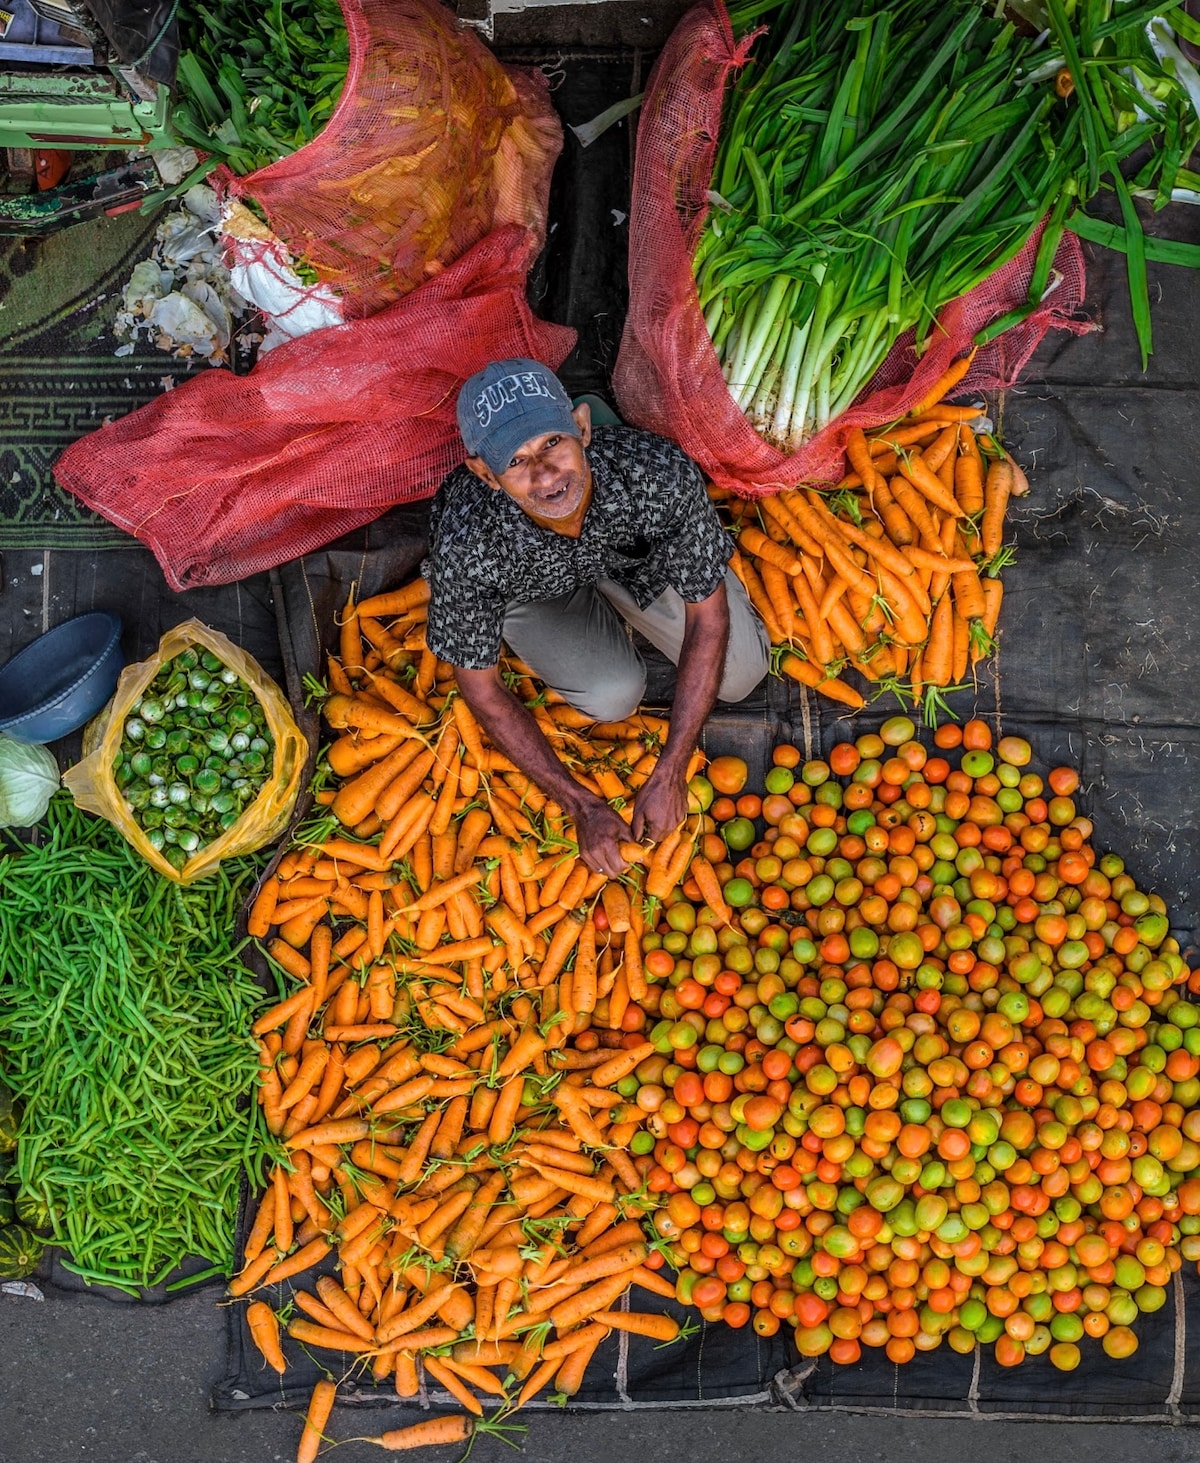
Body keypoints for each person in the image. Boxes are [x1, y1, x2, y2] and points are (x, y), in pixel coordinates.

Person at [423, 358, 769, 877]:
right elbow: (481, 688)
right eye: (515, 462)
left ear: (582, 428)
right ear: (484, 474)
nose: (543, 475)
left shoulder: (654, 472)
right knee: (612, 697)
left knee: (742, 674)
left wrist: (673, 768)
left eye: (552, 444)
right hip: (532, 587)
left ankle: (608, 581)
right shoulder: (468, 544)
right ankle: (576, 602)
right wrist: (581, 804)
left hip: (629, 554)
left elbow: (709, 616)